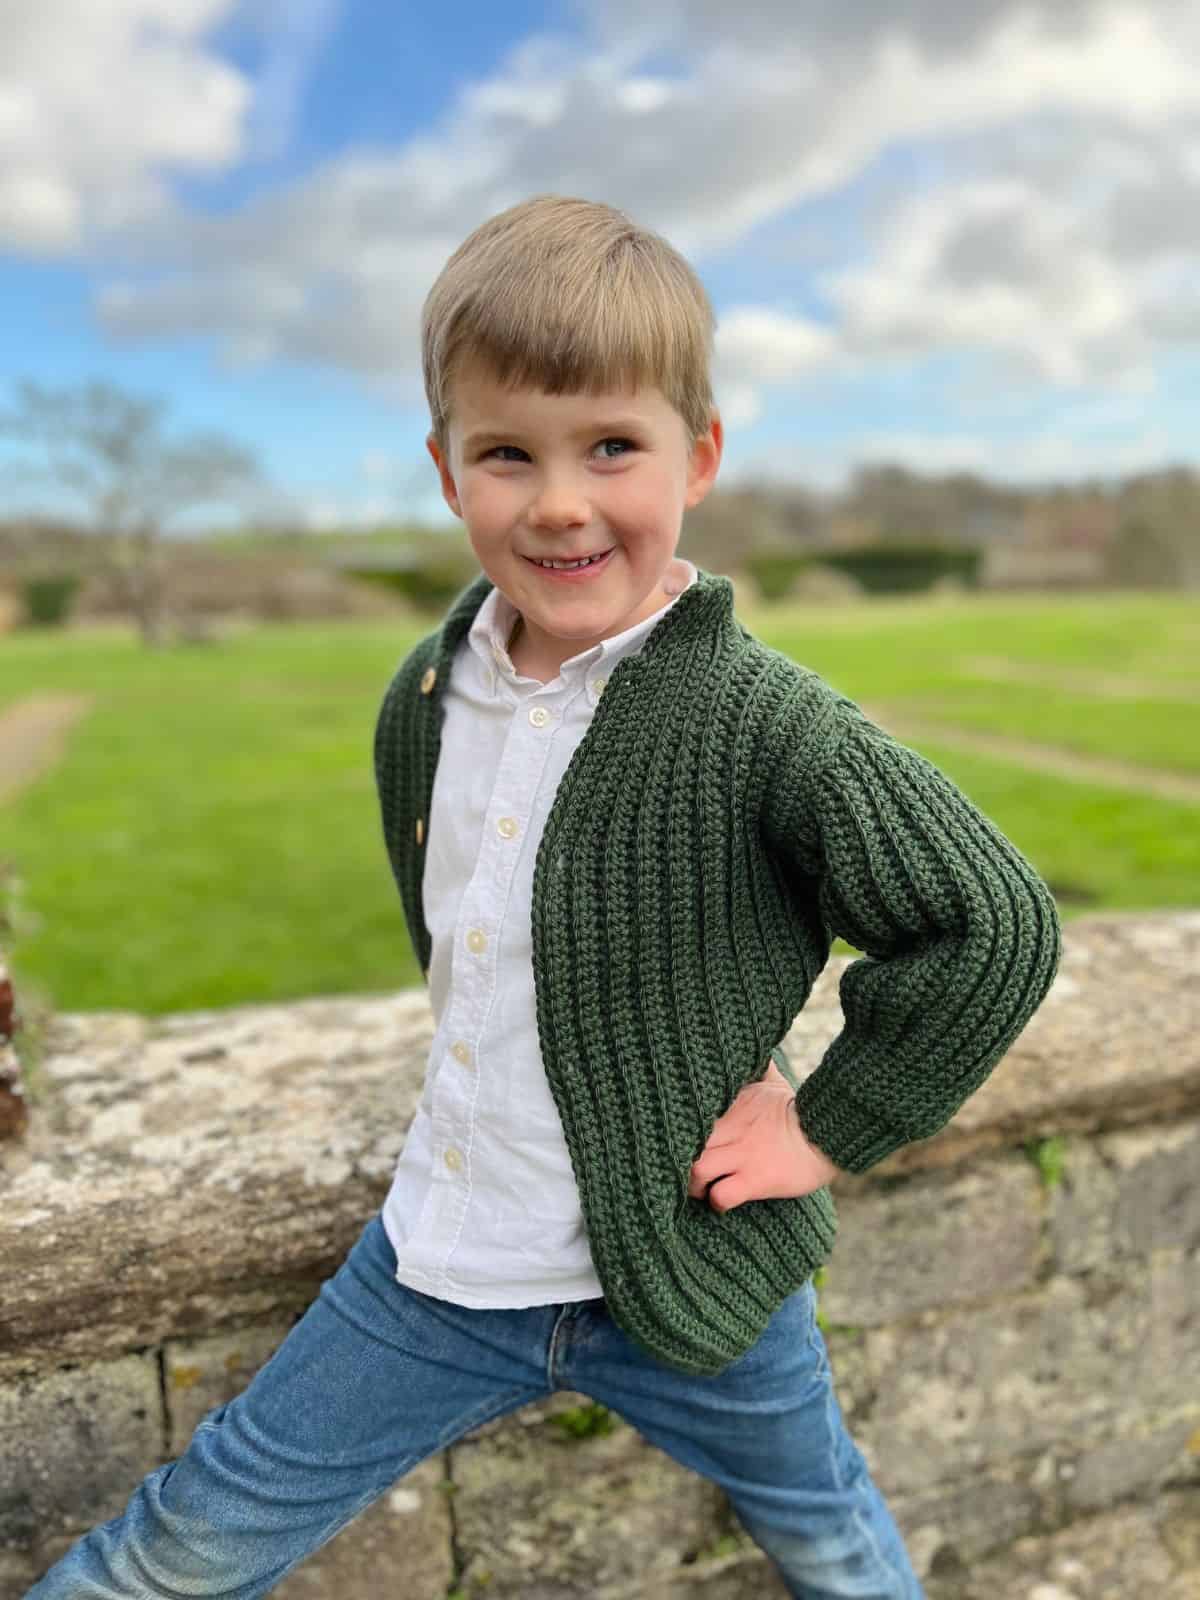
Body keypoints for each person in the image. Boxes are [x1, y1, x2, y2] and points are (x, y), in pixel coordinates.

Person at [27, 195, 1062, 1600]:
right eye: (508, 451)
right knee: (183, 1543)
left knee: (833, 1539)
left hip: (707, 1275)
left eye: (613, 448)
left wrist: (823, 1124)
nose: (561, 500)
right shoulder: (425, 695)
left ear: (697, 456)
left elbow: (993, 924)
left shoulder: (767, 725)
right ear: (449, 472)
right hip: (437, 1275)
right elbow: (472, 941)